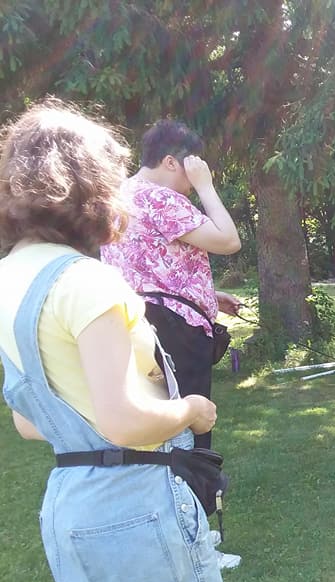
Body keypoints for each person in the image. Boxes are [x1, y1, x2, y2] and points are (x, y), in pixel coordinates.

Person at [0, 100, 258, 582]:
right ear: (91, 185)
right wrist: (192, 410)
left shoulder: (11, 280)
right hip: (136, 504)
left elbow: (28, 421)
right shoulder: (87, 283)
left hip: (69, 504)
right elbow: (124, 419)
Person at [100, 119, 242, 450]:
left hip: (133, 326)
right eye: (190, 168)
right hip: (175, 332)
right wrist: (207, 187)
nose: (191, 182)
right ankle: (194, 497)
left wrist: (207, 296)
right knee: (189, 430)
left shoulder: (119, 196)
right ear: (170, 161)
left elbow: (146, 268)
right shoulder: (160, 198)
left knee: (154, 426)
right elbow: (228, 240)